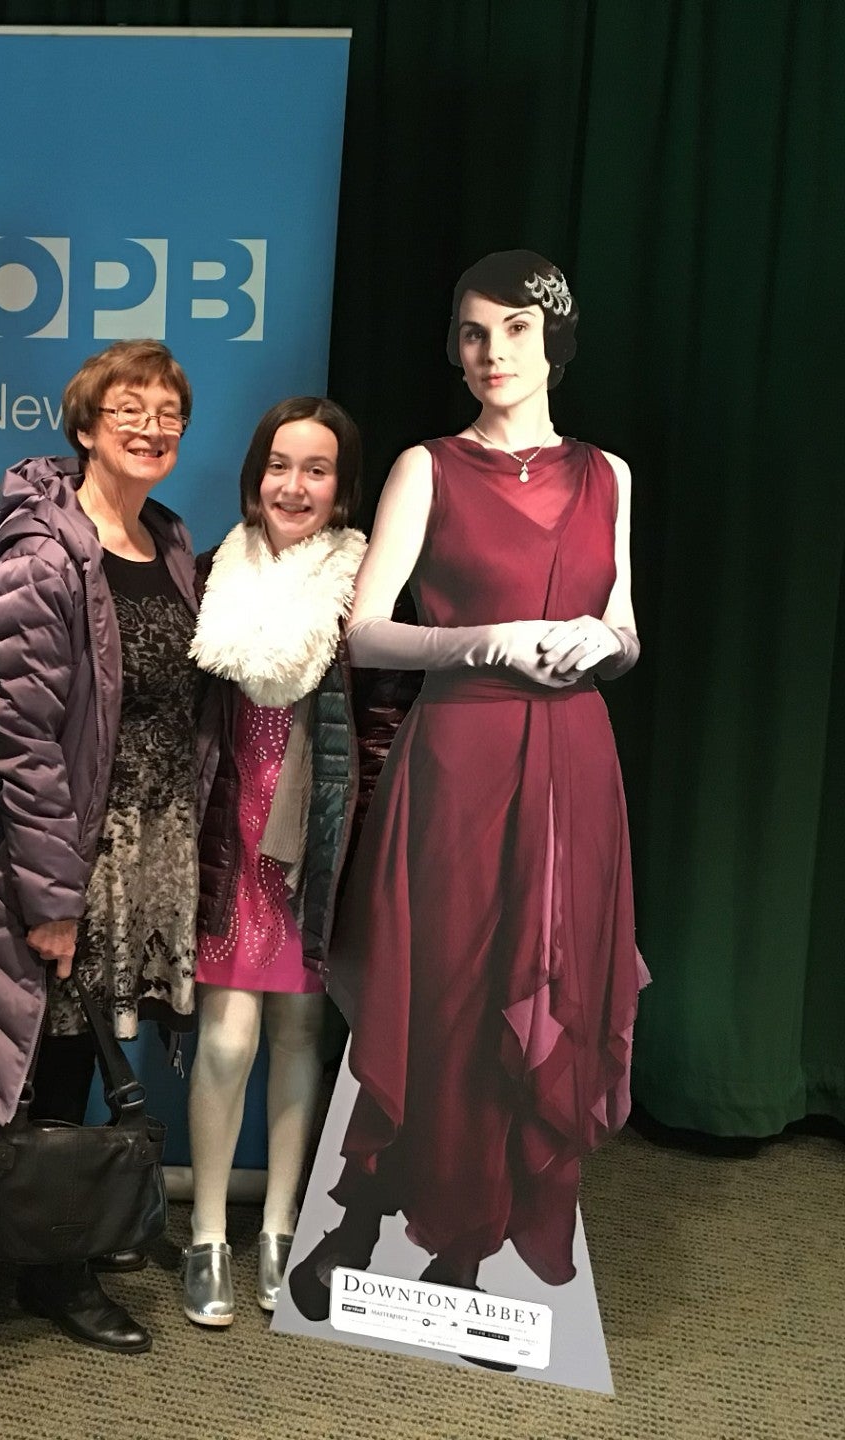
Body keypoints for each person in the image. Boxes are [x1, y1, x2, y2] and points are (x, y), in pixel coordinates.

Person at [289, 251, 645, 1343]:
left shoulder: (610, 475)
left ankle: (465, 1252)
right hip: (459, 751)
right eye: (475, 333)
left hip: (575, 761)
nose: (493, 354)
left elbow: (629, 628)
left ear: (555, 344)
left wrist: (604, 643)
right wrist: (480, 639)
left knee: (543, 984)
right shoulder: (425, 467)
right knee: (439, 986)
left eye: (516, 333)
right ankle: (368, 1213)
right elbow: (366, 629)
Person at [0, 340, 199, 1356]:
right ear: (86, 427)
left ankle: (78, 1223)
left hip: (150, 845)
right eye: (128, 410)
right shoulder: (45, 558)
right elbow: (16, 738)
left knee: (99, 1046)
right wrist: (52, 896)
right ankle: (47, 1264)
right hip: (71, 853)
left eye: (168, 411)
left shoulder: (173, 544)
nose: (150, 426)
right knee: (53, 1056)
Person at [183, 397, 367, 1326]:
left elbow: (376, 727)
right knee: (227, 1038)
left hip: (316, 841)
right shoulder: (212, 571)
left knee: (301, 1036)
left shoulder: (362, 585)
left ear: (341, 488)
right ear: (255, 476)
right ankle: (209, 1234)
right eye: (280, 465)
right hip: (228, 831)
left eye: (317, 469)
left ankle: (281, 1229)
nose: (294, 486)